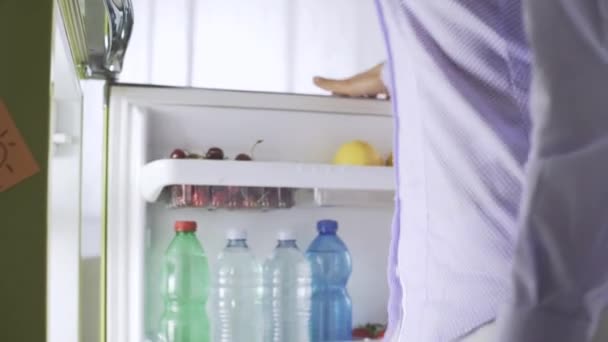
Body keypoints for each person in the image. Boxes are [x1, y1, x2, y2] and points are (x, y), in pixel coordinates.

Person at [315, 1, 608, 341]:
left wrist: (547, 323)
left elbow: (585, 99)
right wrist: (403, 65)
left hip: (515, 308)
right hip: (449, 311)